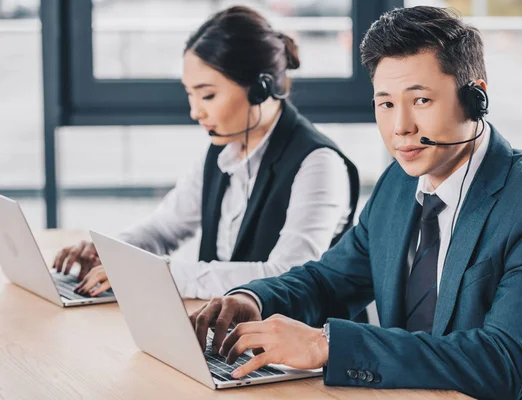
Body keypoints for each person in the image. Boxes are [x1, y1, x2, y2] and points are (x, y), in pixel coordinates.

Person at [189, 6, 522, 399]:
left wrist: (327, 344)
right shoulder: (399, 185)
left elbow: (502, 364)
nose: (400, 127)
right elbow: (330, 280)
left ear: (475, 99)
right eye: (385, 104)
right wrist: (251, 300)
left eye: (420, 101)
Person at [51, 6, 359, 300]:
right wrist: (110, 253)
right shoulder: (224, 152)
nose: (195, 112)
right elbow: (163, 229)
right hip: (226, 329)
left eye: (208, 95)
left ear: (259, 88)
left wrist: (161, 276)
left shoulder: (319, 164)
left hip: (292, 345)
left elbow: (287, 275)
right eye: (190, 94)